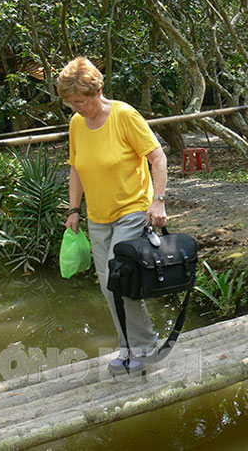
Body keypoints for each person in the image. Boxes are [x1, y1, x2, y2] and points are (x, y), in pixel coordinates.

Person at [59, 57, 168, 374]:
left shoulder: (123, 115)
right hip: (98, 215)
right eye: (71, 103)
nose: (78, 107)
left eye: (82, 101)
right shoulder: (77, 124)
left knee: (122, 279)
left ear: (98, 90)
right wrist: (74, 209)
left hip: (132, 209)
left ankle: (145, 347)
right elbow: (77, 168)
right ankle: (128, 348)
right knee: (109, 286)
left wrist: (157, 201)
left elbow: (157, 157)